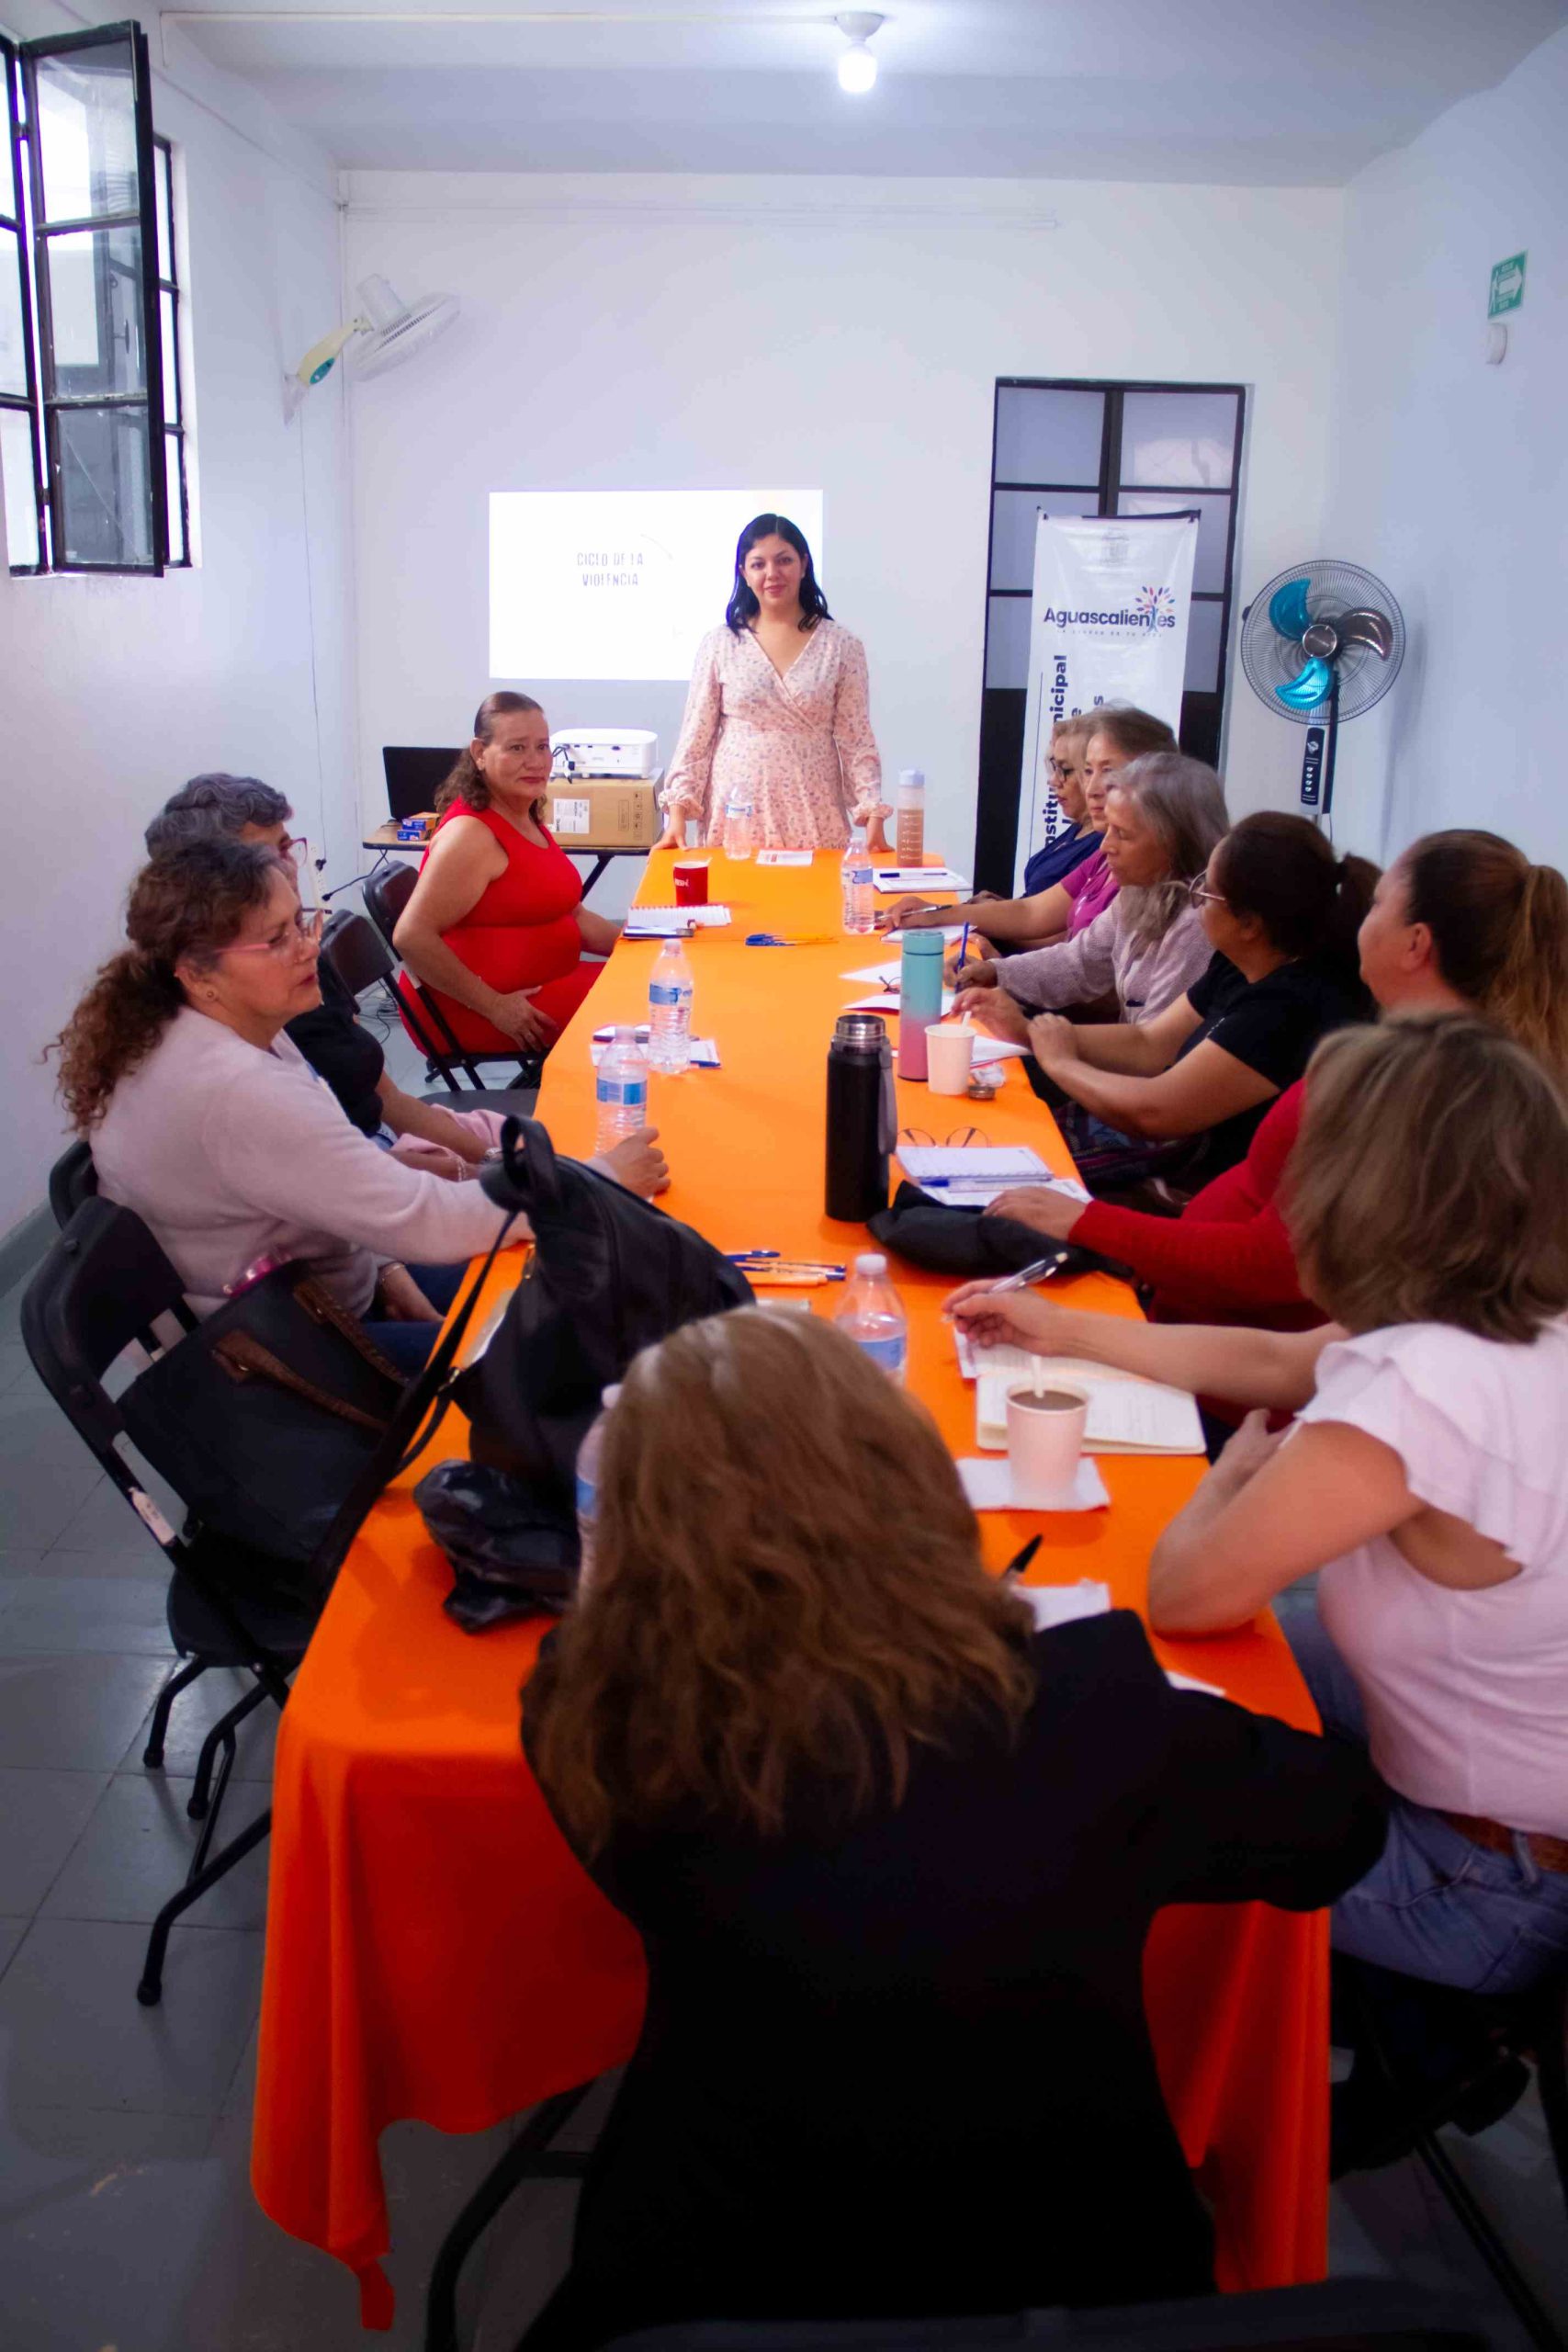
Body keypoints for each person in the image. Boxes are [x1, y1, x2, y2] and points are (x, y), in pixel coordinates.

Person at [517, 1307, 1385, 2348]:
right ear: (911, 1490)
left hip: (707, 2269)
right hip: (1074, 2266)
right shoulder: (1092, 1714)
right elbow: (1336, 1829)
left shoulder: (592, 1711)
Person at [946, 1014, 1568, 1999]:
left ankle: (1225, 2095)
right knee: (1150, 1685)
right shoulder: (1504, 1321)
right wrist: (1058, 1326)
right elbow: (1281, 1360)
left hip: (1475, 1880)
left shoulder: (1427, 1388)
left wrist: (1233, 1473)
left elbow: (1189, 1589)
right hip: (1505, 1808)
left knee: (1065, 1822)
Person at [54, 841, 666, 1373]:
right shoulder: (237, 1090)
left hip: (327, 1292)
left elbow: (332, 1193)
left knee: (564, 1278)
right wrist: (603, 1180)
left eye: (300, 922)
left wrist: (386, 1270)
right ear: (196, 972)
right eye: (276, 939)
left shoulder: (204, 1025)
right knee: (579, 1342)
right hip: (296, 1352)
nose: (306, 948)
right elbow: (433, 1220)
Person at [977, 828, 1568, 1329]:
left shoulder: (1395, 1077)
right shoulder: (1401, 1057)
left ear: (1416, 944)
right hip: (1206, 1311)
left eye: (1381, 902)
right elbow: (1149, 1044)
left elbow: (1272, 1267)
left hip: (1223, 1321)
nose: (1363, 914)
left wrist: (1088, 1221)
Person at [987, 813, 1376, 1197]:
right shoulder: (1240, 963)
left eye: (1207, 891)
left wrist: (1062, 1063)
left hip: (1201, 1194)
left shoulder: (1288, 1006)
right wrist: (1032, 1033)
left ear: (1250, 924)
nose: (1196, 898)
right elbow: (1150, 1044)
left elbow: (1156, 1112)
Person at [147, 772, 503, 1181]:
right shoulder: (235, 1049)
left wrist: (490, 1159)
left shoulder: (299, 963)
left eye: (286, 848)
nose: (286, 868)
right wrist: (476, 1174)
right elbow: (325, 1178)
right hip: (362, 1174)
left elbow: (385, 1096)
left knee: (546, 1148)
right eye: (261, 859)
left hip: (380, 1151)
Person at [393, 695, 622, 1059]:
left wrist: (639, 947)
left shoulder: (520, 811)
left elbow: (573, 916)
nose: (535, 762)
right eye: (517, 748)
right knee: (654, 1007)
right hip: (481, 1013)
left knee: (656, 985)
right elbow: (411, 937)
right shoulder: (472, 834)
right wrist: (496, 1007)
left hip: (543, 987)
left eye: (543, 747)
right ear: (479, 753)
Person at [653, 514, 887, 854]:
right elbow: (695, 738)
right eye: (758, 564)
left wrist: (872, 814)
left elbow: (857, 739)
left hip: (814, 810)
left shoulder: (841, 646)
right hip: (735, 814)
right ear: (744, 573)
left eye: (784, 560)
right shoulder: (720, 644)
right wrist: (676, 815)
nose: (772, 574)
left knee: (812, 904)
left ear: (804, 565)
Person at [952, 752, 1226, 1042]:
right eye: (1108, 830)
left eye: (1122, 834)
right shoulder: (1139, 893)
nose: (1106, 846)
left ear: (1175, 842)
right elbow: (1078, 963)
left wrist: (1030, 1034)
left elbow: (1153, 1052)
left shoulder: (1195, 924)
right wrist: (996, 972)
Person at [880, 707, 1175, 964]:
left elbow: (1098, 988)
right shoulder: (1101, 857)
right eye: (1088, 772)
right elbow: (1031, 912)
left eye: (1108, 772)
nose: (1093, 788)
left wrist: (1003, 978)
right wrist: (934, 914)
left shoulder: (1148, 874)